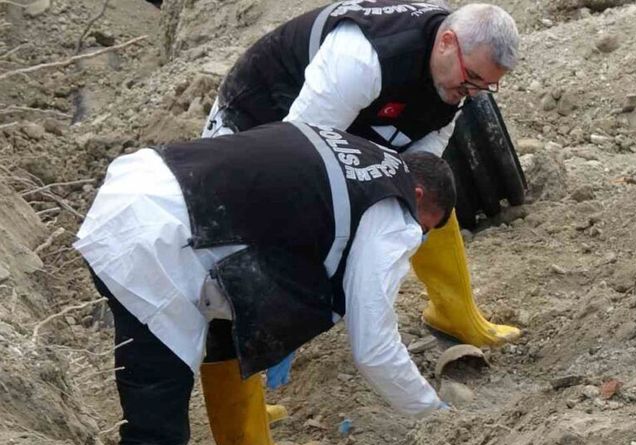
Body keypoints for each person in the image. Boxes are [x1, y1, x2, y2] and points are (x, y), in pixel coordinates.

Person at [74, 121, 456, 445]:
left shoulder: (363, 154)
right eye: (424, 227)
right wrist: (435, 415)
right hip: (155, 246)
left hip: (142, 186)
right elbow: (374, 347)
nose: (417, 238)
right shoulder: (393, 211)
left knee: (223, 338)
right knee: (157, 430)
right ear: (418, 194)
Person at [203, 0, 522, 358]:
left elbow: (423, 162)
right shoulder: (362, 59)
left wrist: (403, 201)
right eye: (473, 79)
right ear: (446, 42)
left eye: (487, 86)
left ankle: (455, 314)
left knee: (426, 196)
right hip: (261, 114)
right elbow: (294, 161)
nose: (475, 93)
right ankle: (243, 408)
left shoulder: (456, 74)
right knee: (239, 254)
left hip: (354, 111)